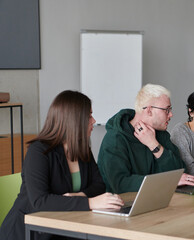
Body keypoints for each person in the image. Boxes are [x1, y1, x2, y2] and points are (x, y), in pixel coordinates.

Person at [0, 90, 124, 240]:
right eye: (89, 116)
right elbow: (40, 201)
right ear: (73, 120)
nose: (93, 121)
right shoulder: (38, 152)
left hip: (63, 227)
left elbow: (99, 185)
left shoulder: (82, 148)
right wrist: (90, 202)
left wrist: (79, 196)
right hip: (28, 232)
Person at [97, 84, 194, 194]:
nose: (171, 114)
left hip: (157, 201)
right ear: (149, 110)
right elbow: (120, 184)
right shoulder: (115, 139)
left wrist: (154, 145)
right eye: (166, 110)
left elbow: (181, 172)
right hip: (124, 205)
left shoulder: (161, 135)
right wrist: (166, 181)